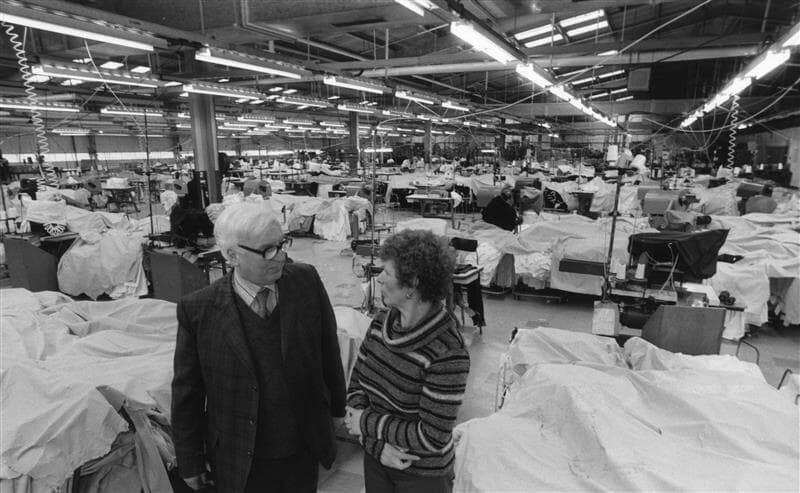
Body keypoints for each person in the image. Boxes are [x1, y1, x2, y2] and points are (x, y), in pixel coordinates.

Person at [171, 202, 347, 492]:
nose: (280, 257)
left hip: (302, 447)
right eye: (267, 250)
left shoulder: (306, 281)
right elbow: (187, 392)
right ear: (231, 255)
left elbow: (329, 351)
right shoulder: (199, 310)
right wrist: (190, 460)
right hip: (241, 455)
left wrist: (337, 408)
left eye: (282, 244)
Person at [344, 229, 470, 493]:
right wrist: (377, 447)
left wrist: (366, 423)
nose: (378, 278)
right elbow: (356, 388)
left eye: (386, 273)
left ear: (412, 283)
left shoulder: (447, 351)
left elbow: (432, 436)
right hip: (377, 459)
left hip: (422, 476)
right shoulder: (381, 323)